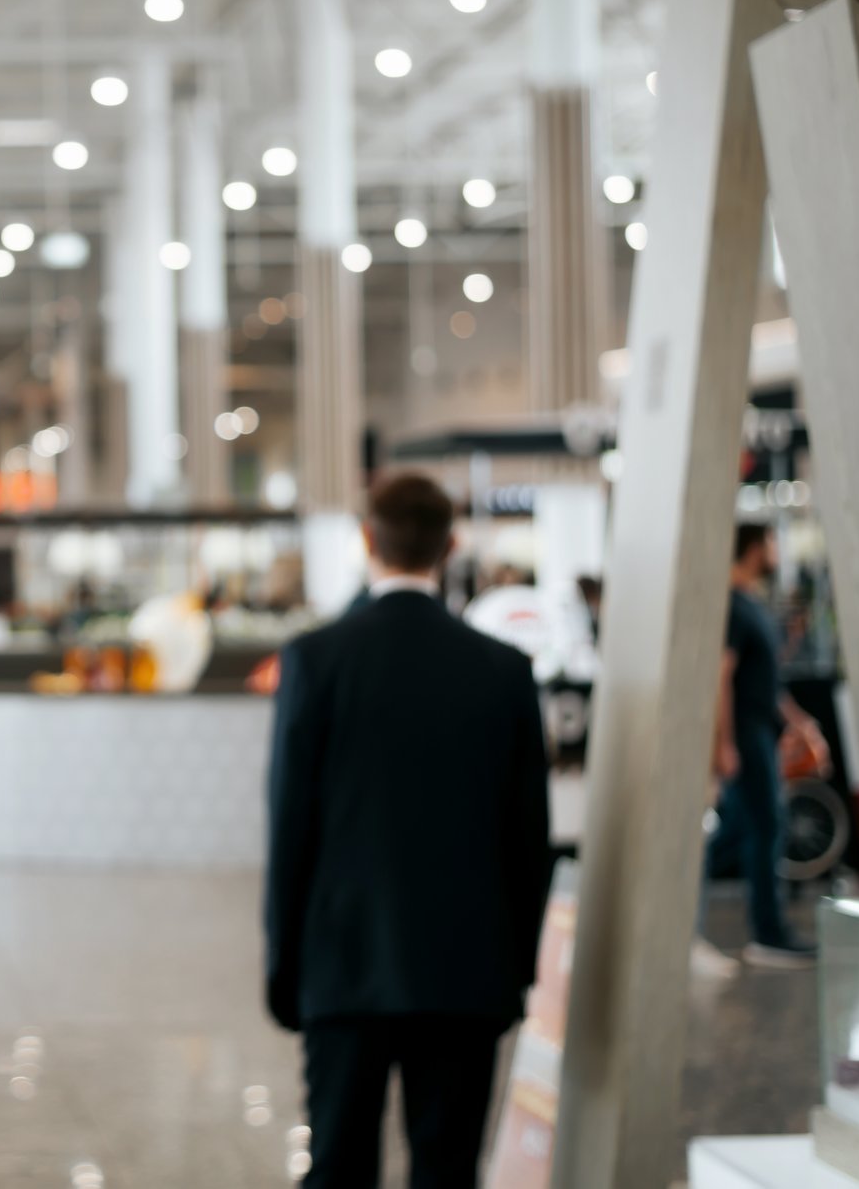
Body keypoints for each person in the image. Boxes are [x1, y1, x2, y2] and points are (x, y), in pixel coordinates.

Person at [265, 473, 552, 1189]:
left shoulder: (315, 660)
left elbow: (290, 825)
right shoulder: (504, 671)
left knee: (338, 1165)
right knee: (447, 1169)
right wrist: (515, 966)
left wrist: (284, 962)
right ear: (451, 546)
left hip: (342, 962)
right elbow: (528, 840)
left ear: (367, 539)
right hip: (467, 968)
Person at [700, 523, 823, 970]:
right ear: (754, 548)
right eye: (772, 543)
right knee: (763, 826)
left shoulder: (751, 604)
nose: (776, 551)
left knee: (741, 830)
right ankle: (768, 933)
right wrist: (725, 742)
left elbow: (766, 682)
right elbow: (721, 677)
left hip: (760, 731)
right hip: (746, 735)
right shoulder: (731, 605)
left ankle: (687, 909)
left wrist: (799, 722)